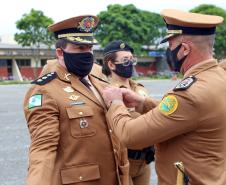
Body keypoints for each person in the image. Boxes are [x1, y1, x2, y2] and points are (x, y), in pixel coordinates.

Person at [102, 9, 226, 185]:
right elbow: (187, 115)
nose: (169, 52)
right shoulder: (219, 77)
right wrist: (143, 103)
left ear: (184, 49)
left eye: (171, 47)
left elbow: (130, 135)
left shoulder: (190, 93)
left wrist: (115, 102)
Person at [23, 15, 129, 185]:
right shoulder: (45, 90)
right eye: (80, 48)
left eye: (90, 48)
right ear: (60, 52)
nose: (87, 54)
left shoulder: (101, 85)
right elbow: (42, 148)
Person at [102, 40, 156, 185]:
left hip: (144, 160)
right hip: (124, 160)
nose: (130, 64)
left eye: (132, 60)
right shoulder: (108, 92)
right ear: (111, 65)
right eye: (125, 61)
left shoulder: (139, 88)